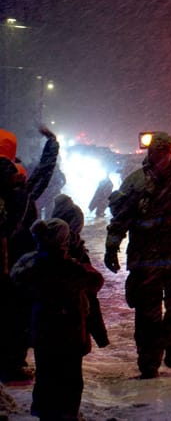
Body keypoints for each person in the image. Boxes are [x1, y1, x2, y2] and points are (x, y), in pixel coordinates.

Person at [104, 132, 171, 379]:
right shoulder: (135, 183)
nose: (160, 157)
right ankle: (148, 363)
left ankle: (169, 343)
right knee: (147, 317)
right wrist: (112, 246)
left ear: (170, 153)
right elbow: (121, 218)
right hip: (146, 262)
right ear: (150, 153)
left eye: (164, 152)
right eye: (156, 151)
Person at [10, 218, 104, 420]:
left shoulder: (31, 266)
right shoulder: (70, 268)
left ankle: (45, 412)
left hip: (43, 331)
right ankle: (67, 413)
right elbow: (96, 281)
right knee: (70, 377)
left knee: (46, 375)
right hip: (69, 331)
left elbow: (18, 283)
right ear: (65, 241)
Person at [0, 126, 59, 383]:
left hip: (13, 263)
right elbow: (43, 174)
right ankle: (12, 366)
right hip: (16, 265)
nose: (21, 176)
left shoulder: (17, 193)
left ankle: (11, 363)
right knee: (17, 317)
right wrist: (52, 145)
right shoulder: (19, 195)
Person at [51, 194, 109, 348]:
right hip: (74, 323)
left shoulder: (47, 253)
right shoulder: (75, 257)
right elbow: (92, 289)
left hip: (53, 329)